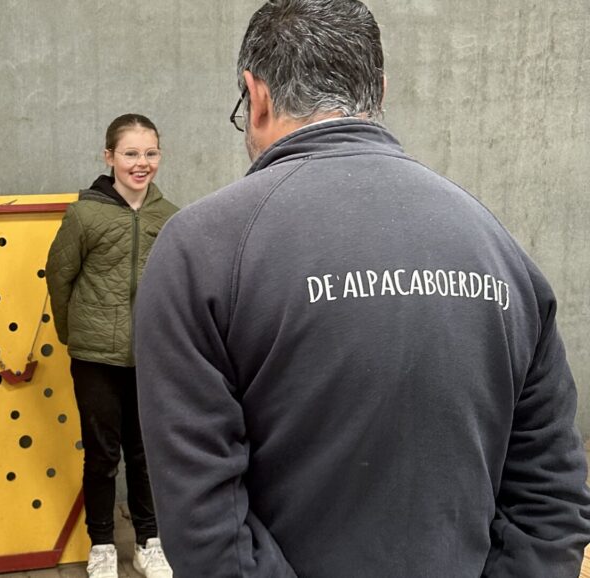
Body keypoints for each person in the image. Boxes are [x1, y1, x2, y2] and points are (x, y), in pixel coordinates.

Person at [134, 1, 590, 576]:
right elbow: (551, 499)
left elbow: (206, 527)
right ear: (379, 90)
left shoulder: (200, 251)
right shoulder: (496, 244)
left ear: (257, 96)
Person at [46, 114, 178, 578]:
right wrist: (74, 336)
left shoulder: (170, 216)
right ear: (110, 157)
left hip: (150, 358)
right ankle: (101, 543)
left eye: (150, 153)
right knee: (102, 455)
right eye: (130, 153)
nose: (141, 164)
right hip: (95, 357)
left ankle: (149, 540)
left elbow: (177, 289)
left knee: (145, 452)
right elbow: (59, 277)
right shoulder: (85, 214)